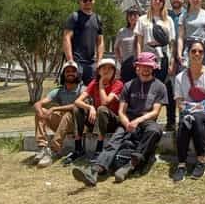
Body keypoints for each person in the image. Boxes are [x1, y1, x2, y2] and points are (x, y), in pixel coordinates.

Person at [72, 52, 168, 186]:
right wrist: (127, 123)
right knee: (115, 140)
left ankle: (130, 165)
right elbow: (121, 111)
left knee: (155, 130)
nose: (146, 69)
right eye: (143, 66)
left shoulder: (160, 86)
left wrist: (137, 121)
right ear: (137, 67)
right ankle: (94, 171)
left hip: (147, 121)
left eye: (149, 67)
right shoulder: (128, 85)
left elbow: (155, 112)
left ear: (153, 68)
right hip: (127, 120)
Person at [172, 40, 205, 182]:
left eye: (200, 51)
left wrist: (197, 109)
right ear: (188, 54)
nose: (197, 54)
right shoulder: (180, 77)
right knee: (186, 122)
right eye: (193, 51)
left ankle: (202, 160)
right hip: (189, 115)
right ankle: (181, 165)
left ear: (204, 55)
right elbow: (179, 103)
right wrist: (189, 110)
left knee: (195, 118)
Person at [135, 0, 177, 130]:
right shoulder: (142, 19)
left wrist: (172, 62)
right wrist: (139, 60)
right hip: (147, 59)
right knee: (149, 89)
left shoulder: (168, 20)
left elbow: (172, 43)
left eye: (161, 0)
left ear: (164, 3)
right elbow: (139, 41)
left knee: (167, 88)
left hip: (163, 58)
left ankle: (170, 121)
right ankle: (149, 121)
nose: (158, 1)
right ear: (151, 1)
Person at [70, 57, 124, 163]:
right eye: (104, 68)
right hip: (97, 120)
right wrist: (90, 107)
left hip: (112, 121)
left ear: (114, 71)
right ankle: (78, 147)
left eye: (110, 68)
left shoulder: (118, 84)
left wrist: (101, 86)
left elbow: (105, 102)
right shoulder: (93, 83)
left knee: (102, 108)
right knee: (77, 108)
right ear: (99, 70)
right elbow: (77, 101)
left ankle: (99, 149)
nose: (106, 71)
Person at [32, 61, 83, 168]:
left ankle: (54, 150)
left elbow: (76, 106)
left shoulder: (83, 89)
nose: (70, 73)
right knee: (40, 112)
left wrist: (55, 108)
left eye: (73, 71)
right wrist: (39, 111)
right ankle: (42, 148)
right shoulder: (59, 90)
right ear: (63, 74)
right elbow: (39, 103)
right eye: (67, 71)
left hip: (77, 126)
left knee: (68, 114)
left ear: (77, 74)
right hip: (61, 125)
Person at [63, 0, 104, 85]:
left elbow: (100, 41)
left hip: (91, 63)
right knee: (75, 91)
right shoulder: (74, 17)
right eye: (85, 0)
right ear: (80, 2)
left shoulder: (97, 18)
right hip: (77, 62)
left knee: (91, 91)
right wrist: (70, 60)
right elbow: (66, 38)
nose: (88, 2)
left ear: (93, 1)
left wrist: (99, 61)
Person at [177, 0, 205, 68]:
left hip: (204, 49)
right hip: (190, 49)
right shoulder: (184, 16)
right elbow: (180, 37)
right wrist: (179, 53)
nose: (195, 0)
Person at [115, 7, 140, 83]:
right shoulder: (122, 31)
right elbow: (116, 47)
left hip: (139, 65)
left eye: (135, 15)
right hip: (126, 64)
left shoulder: (142, 31)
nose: (132, 17)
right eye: (130, 15)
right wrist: (120, 59)